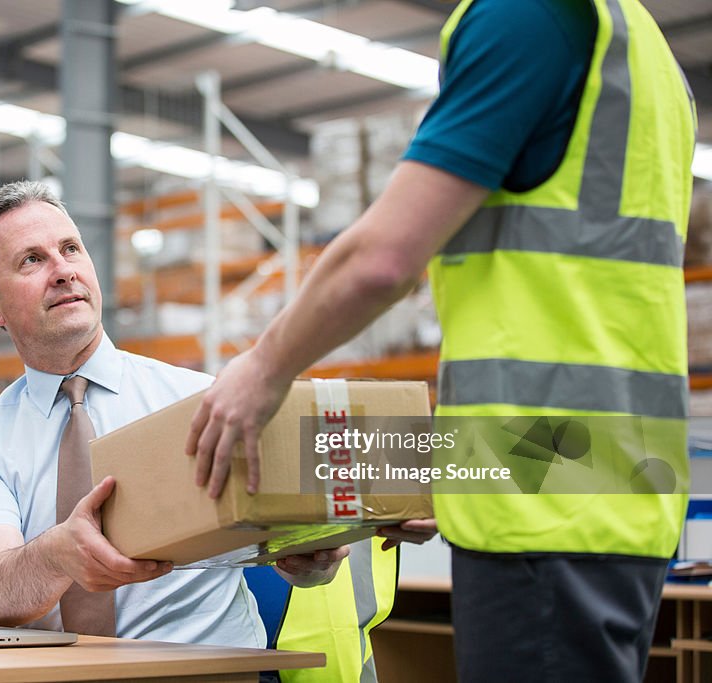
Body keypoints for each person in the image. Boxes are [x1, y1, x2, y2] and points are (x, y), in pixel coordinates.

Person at [186, 1, 696, 681]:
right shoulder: (639, 47)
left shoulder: (526, 16)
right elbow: (561, 340)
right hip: (608, 481)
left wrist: (262, 367)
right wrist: (426, 484)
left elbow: (384, 259)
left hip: (547, 519)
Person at [0, 180, 347, 645]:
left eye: (71, 249)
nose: (62, 271)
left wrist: (308, 560)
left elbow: (295, 556)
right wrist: (56, 555)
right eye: (32, 259)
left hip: (209, 674)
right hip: (59, 679)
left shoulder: (204, 401)